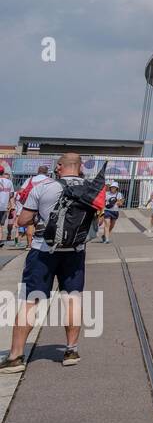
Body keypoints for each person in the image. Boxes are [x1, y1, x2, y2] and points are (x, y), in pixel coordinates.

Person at [2, 153, 102, 373]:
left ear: (59, 167)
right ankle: (71, 351)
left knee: (31, 300)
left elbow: (23, 220)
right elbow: (97, 220)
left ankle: (16, 356)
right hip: (75, 252)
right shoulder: (92, 189)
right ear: (79, 167)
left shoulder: (44, 187)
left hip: (43, 251)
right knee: (73, 298)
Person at [0, 165, 12, 246]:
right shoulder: (9, 182)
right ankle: (0, 240)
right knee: (0, 225)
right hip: (4, 206)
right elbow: (11, 195)